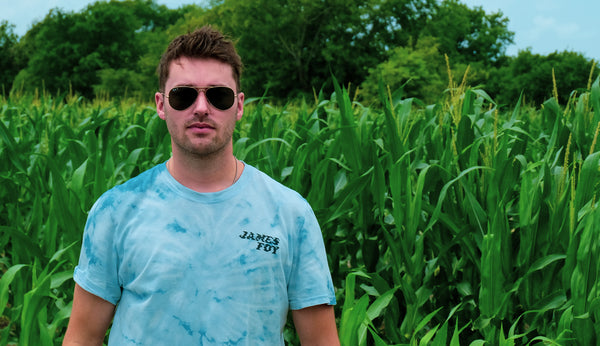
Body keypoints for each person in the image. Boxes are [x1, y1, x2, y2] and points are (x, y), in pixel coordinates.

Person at [63, 25, 339, 345]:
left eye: (218, 95)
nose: (202, 108)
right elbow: (82, 336)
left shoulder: (291, 215)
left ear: (238, 106)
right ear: (161, 105)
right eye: (184, 95)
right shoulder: (115, 211)